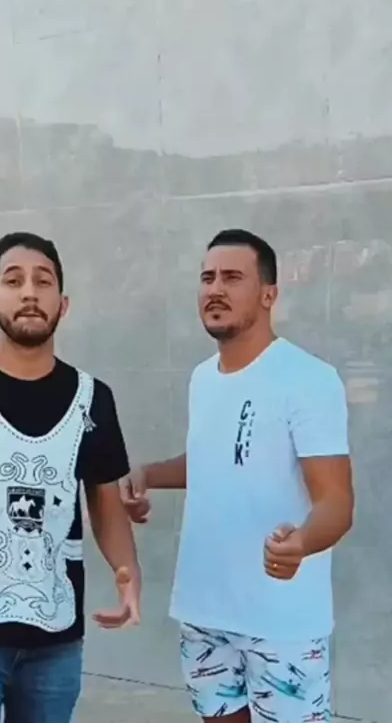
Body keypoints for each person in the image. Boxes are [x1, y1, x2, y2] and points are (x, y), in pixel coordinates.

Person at [123, 229, 354, 723]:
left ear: (269, 293)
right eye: (207, 278)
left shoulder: (309, 379)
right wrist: (148, 474)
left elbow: (337, 501)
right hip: (204, 612)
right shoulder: (203, 378)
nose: (215, 289)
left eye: (232, 277)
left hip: (283, 622)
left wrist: (302, 543)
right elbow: (217, 460)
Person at [0, 231, 141, 723]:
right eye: (13, 281)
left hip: (55, 639)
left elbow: (105, 503)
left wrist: (128, 572)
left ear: (64, 303)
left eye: (44, 281)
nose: (30, 292)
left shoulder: (93, 400)